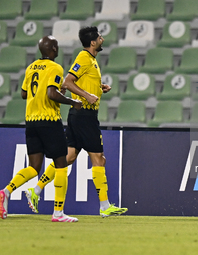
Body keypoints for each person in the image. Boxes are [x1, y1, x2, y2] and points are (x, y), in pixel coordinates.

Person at [26, 26, 128, 217]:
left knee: (68, 158)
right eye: (99, 37)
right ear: (92, 42)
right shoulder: (83, 57)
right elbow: (68, 82)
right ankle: (105, 207)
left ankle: (36, 190)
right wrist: (87, 95)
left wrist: (98, 88)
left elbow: (80, 82)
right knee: (99, 159)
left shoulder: (91, 60)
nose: (102, 39)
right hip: (85, 116)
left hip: (79, 116)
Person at [0, 36, 82, 222]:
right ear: (53, 49)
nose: (58, 48)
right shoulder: (55, 68)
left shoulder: (31, 67)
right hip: (49, 120)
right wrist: (72, 102)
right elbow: (51, 93)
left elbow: (23, 93)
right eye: (57, 46)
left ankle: (5, 191)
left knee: (34, 167)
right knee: (61, 164)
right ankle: (58, 213)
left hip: (31, 121)